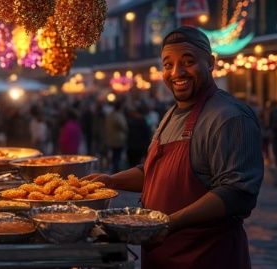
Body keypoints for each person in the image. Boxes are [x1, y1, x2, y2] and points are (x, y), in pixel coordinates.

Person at [83, 26, 263, 269]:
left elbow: (237, 193)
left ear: (210, 63)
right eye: (168, 64)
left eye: (187, 62)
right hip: (160, 256)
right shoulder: (171, 114)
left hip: (206, 256)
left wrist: (169, 223)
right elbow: (153, 172)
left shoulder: (229, 117)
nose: (176, 72)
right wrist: (110, 181)